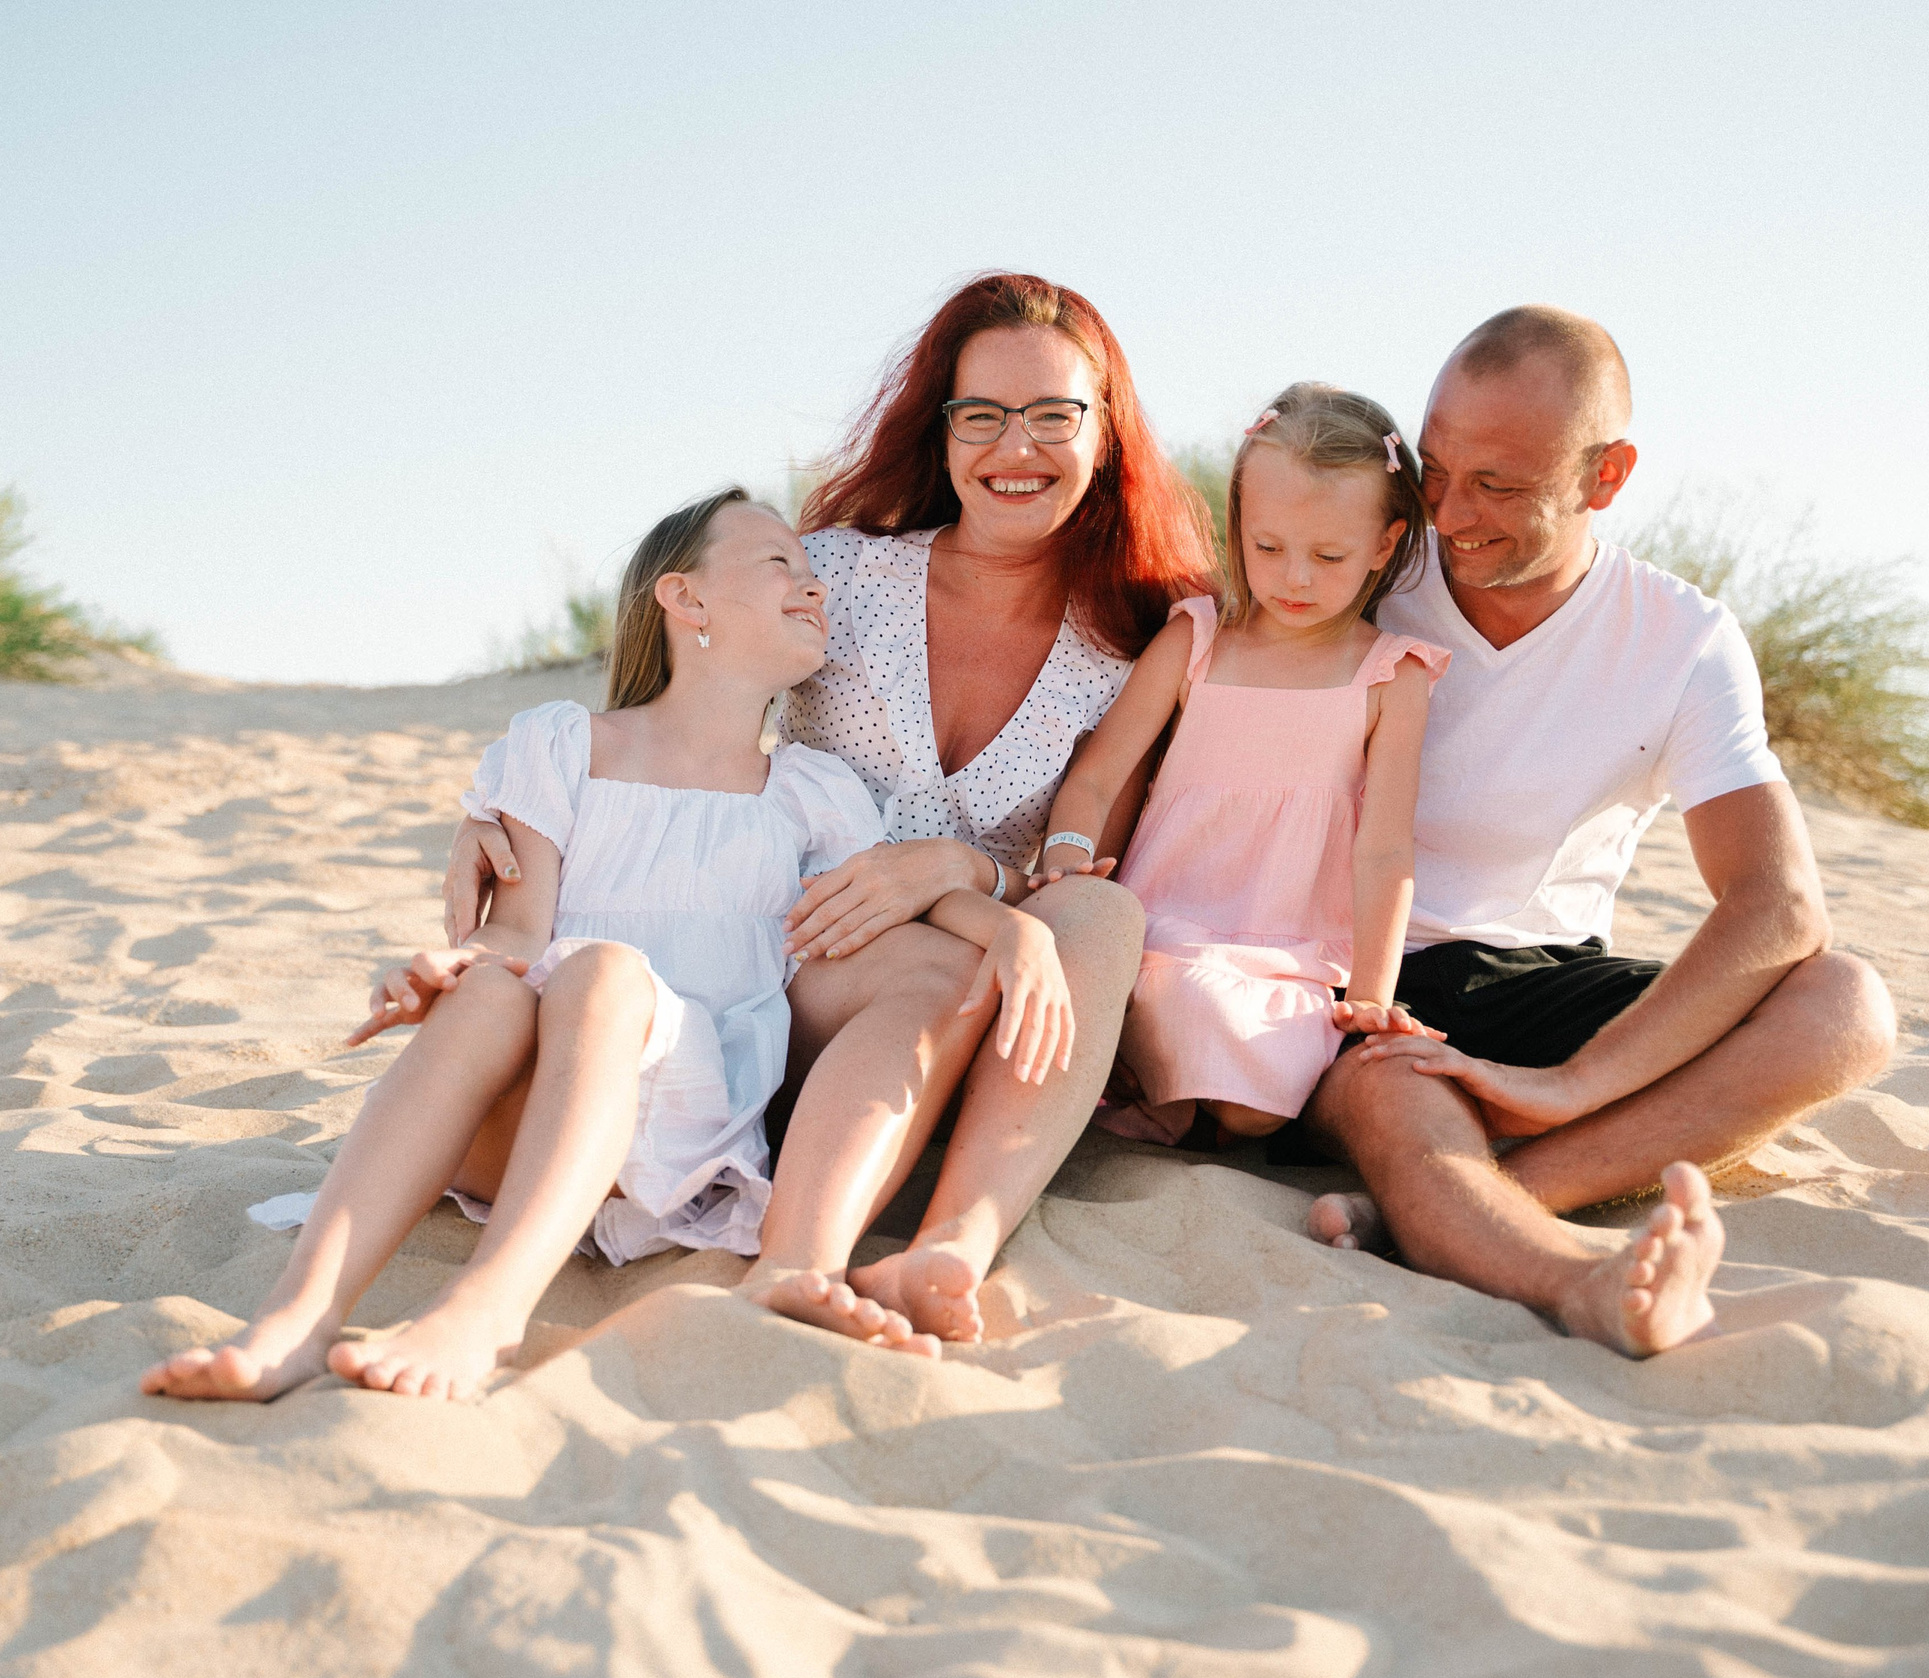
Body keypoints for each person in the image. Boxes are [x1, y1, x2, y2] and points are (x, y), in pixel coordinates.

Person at [139, 487, 1074, 1401]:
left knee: (606, 976)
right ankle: (295, 1321)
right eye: (779, 562)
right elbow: (514, 931)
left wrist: (1010, 927)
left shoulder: (810, 791)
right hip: (519, 1107)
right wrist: (446, 967)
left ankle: (487, 1312)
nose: (813, 584)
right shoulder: (561, 745)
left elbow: (894, 904)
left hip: (679, 1132)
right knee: (514, 987)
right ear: (685, 596)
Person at [441, 274, 1214, 1347]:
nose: (1015, 448)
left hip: (966, 982)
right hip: (780, 956)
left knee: (1101, 921)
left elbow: (1084, 862)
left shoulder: (1124, 648)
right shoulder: (844, 576)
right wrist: (500, 812)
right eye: (980, 415)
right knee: (931, 965)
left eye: (1052, 415)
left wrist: (963, 870)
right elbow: (680, 712)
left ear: (1106, 432)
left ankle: (950, 1244)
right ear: (942, 435)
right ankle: (794, 1234)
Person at [1291, 306, 1898, 1356]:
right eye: (1434, 471)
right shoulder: (1362, 568)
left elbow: (1779, 902)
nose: (1450, 515)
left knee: (1846, 1004)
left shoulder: (1682, 638)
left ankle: (1491, 1196)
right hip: (1357, 971)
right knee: (1400, 1080)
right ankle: (1575, 1278)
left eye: (1500, 485)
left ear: (1605, 477)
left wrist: (1568, 1086)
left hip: (1535, 979)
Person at [1033, 383, 1446, 1149]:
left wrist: (1371, 995)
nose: (1294, 578)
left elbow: (1386, 847)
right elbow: (1096, 775)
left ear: (1384, 546)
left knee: (1256, 1104)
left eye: (1328, 556)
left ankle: (1175, 1092)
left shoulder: (1393, 674)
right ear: (1240, 523)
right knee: (1176, 1008)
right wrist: (1067, 866)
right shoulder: (1198, 637)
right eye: (1268, 547)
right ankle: (1159, 1080)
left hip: (1288, 955)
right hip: (1159, 930)